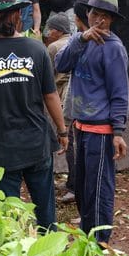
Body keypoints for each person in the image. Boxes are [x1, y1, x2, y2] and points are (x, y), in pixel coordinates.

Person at [0, 0, 68, 232]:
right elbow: (51, 95)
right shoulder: (37, 50)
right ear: (16, 16)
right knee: (45, 212)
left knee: (8, 215)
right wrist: (62, 131)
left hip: (3, 149)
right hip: (37, 144)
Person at [54, 0, 129, 243]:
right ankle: (87, 233)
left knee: (99, 189)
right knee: (83, 187)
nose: (100, 21)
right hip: (80, 126)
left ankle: (100, 241)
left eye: (106, 17)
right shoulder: (81, 42)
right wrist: (81, 39)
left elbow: (120, 93)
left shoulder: (114, 49)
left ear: (112, 20)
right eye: (96, 14)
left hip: (101, 131)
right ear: (88, 14)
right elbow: (60, 65)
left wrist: (118, 132)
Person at [44, 12, 76, 203]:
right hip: (77, 96)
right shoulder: (77, 41)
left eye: (50, 29)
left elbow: (47, 77)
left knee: (67, 141)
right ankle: (73, 182)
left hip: (61, 96)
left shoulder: (53, 47)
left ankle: (73, 187)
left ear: (57, 31)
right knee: (74, 142)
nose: (48, 33)